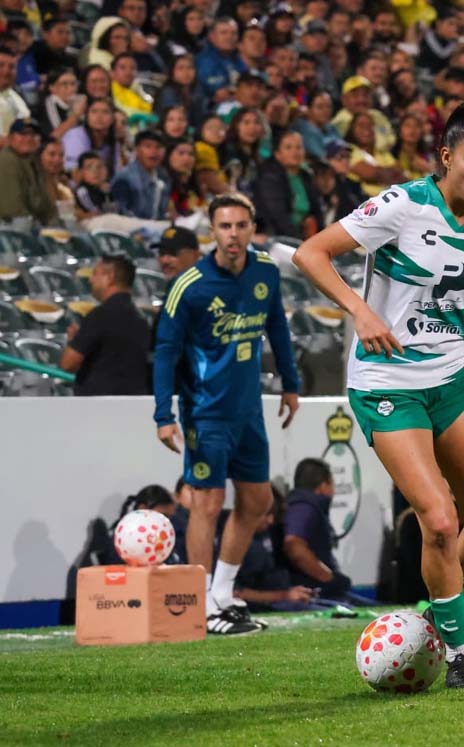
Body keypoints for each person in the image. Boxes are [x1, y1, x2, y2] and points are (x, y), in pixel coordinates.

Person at [294, 102, 464, 689]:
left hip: (454, 381)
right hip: (388, 385)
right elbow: (311, 253)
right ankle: (460, 650)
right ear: (446, 158)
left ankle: (440, 620)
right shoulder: (402, 204)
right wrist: (360, 312)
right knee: (438, 521)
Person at [153, 192, 302, 636]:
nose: (233, 235)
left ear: (252, 227)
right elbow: (164, 352)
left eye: (241, 226)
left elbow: (277, 324)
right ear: (212, 231)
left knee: (258, 500)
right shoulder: (189, 284)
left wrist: (291, 383)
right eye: (224, 227)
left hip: (248, 410)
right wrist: (164, 413)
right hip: (205, 412)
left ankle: (222, 593)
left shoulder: (266, 271)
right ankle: (200, 604)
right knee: (208, 502)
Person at [283, 457, 372, 604]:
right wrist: (329, 578)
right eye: (332, 484)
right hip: (313, 592)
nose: (333, 491)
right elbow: (294, 545)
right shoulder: (304, 508)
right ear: (323, 485)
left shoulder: (305, 507)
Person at [59, 254, 151, 395]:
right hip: (132, 406)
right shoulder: (142, 320)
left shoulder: (100, 315)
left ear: (110, 277)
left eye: (96, 274)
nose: (90, 279)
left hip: (97, 408)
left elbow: (68, 363)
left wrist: (73, 341)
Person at [0, 118, 54, 226]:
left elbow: (45, 204)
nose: (29, 138)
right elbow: (12, 209)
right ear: (10, 138)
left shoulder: (32, 161)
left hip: (28, 223)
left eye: (33, 134)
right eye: (22, 133)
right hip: (9, 228)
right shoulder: (7, 161)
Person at [110, 129, 169, 221]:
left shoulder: (163, 176)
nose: (154, 151)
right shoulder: (124, 178)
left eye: (158, 147)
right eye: (148, 146)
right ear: (137, 150)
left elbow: (162, 213)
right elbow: (121, 214)